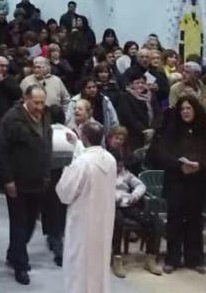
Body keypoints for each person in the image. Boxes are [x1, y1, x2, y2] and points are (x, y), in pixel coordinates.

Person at [150, 96, 206, 274]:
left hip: (198, 181)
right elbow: (160, 154)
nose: (185, 112)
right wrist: (179, 165)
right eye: (182, 109)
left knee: (195, 221)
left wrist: (199, 165)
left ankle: (194, 259)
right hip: (176, 180)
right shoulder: (171, 130)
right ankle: (172, 259)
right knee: (175, 221)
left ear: (196, 109)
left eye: (189, 108)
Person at [0, 85, 51, 285]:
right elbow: (1, 152)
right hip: (17, 182)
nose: (40, 107)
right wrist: (7, 180)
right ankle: (20, 265)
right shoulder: (11, 119)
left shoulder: (45, 116)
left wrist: (46, 174)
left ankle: (14, 252)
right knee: (18, 224)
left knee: (29, 225)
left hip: (38, 181)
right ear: (25, 99)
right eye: (36, 102)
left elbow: (47, 145)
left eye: (42, 102)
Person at [57, 121, 116, 293]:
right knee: (98, 263)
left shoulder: (82, 163)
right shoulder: (110, 160)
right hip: (103, 222)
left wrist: (66, 170)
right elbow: (90, 157)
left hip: (83, 223)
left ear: (85, 137)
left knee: (79, 265)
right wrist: (77, 145)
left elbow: (64, 193)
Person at [110, 149, 164, 278]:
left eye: (121, 165)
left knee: (154, 221)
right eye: (117, 165)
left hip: (128, 204)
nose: (119, 167)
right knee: (118, 222)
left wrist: (135, 196)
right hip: (113, 205)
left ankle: (151, 257)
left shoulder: (126, 174)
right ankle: (116, 258)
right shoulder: (104, 175)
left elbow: (141, 186)